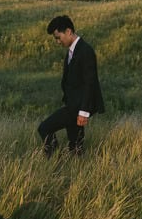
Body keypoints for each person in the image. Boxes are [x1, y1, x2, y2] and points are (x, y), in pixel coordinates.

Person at [38, 14, 104, 157]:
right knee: (75, 144)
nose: (57, 41)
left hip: (78, 107)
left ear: (68, 31)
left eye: (58, 37)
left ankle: (53, 158)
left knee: (44, 128)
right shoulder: (72, 51)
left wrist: (83, 112)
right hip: (73, 104)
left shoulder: (85, 51)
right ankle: (75, 167)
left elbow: (90, 82)